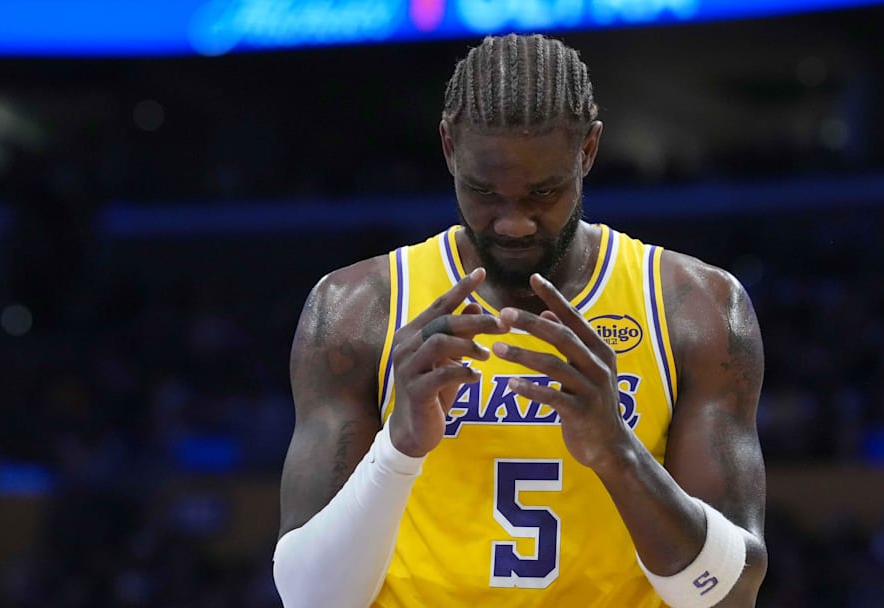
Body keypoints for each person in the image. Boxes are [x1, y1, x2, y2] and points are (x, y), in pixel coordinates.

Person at [272, 33, 767, 608]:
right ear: (448, 148)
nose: (512, 223)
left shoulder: (696, 308)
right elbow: (310, 599)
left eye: (544, 193)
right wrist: (399, 447)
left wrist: (617, 452)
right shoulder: (355, 310)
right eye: (483, 192)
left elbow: (729, 596)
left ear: (588, 151)